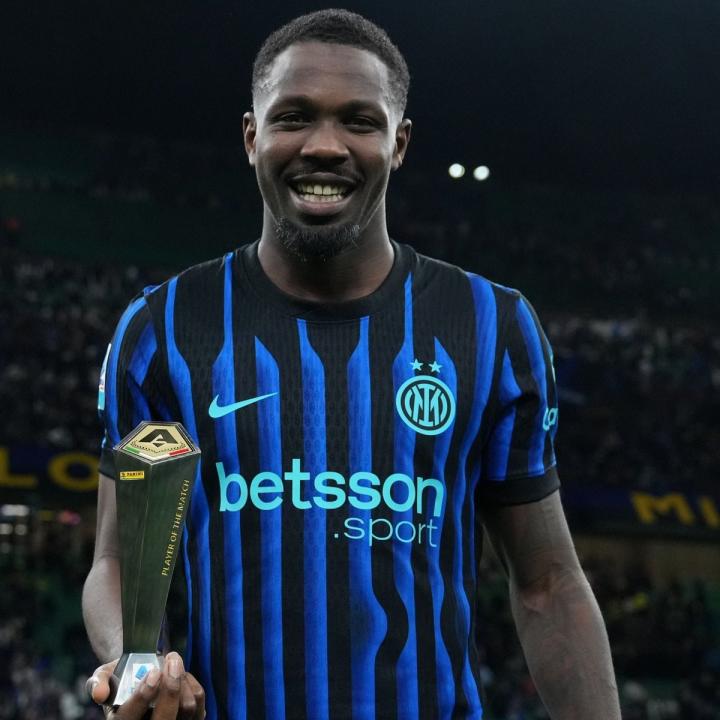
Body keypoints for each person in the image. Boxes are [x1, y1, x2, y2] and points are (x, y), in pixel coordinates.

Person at [83, 8, 621, 719]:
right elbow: (119, 562)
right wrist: (137, 660)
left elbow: (548, 583)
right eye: (294, 117)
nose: (325, 146)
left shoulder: (492, 326)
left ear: (399, 144)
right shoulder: (163, 329)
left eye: (360, 122)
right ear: (252, 136)